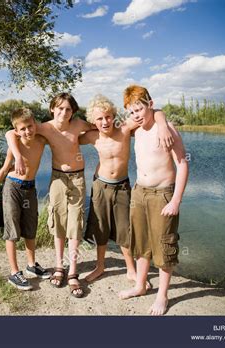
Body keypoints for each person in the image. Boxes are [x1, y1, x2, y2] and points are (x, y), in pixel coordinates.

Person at [6, 93, 94, 298]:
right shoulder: (45, 127)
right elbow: (11, 133)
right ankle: (58, 267)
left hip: (77, 179)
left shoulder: (79, 124)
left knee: (75, 224)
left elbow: (101, 126)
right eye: (60, 108)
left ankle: (72, 271)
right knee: (58, 222)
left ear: (73, 112)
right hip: (57, 179)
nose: (64, 112)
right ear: (52, 109)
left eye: (68, 109)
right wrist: (18, 156)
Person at [80, 94, 173, 288]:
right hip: (100, 186)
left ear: (113, 116)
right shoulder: (91, 136)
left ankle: (131, 269)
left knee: (125, 229)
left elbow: (154, 112)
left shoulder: (125, 129)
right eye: (99, 118)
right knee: (101, 227)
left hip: (122, 186)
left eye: (108, 116)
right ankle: (100, 266)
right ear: (92, 121)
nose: (105, 121)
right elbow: (67, 134)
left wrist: (163, 124)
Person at [118, 85, 189, 315]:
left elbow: (182, 164)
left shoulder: (167, 129)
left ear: (150, 104)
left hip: (162, 194)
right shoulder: (135, 129)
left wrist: (176, 200)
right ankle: (140, 285)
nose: (136, 114)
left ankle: (162, 296)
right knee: (141, 243)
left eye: (139, 108)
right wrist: (156, 117)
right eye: (131, 111)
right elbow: (107, 126)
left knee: (164, 246)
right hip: (139, 192)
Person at [0, 108, 51, 290]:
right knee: (12, 229)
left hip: (30, 188)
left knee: (30, 227)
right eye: (22, 129)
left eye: (30, 126)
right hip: (12, 187)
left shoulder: (41, 140)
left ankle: (31, 265)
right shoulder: (15, 144)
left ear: (34, 123)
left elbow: (54, 132)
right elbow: (4, 169)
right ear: (17, 131)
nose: (27, 131)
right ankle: (14, 273)